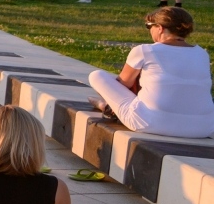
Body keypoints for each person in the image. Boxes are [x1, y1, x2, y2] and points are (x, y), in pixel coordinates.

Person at [87, 7, 214, 138]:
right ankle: (107, 107)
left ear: (160, 27)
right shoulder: (202, 54)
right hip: (203, 128)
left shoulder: (145, 50)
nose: (149, 31)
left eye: (149, 26)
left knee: (97, 76)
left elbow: (123, 85)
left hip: (149, 123)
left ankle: (107, 107)